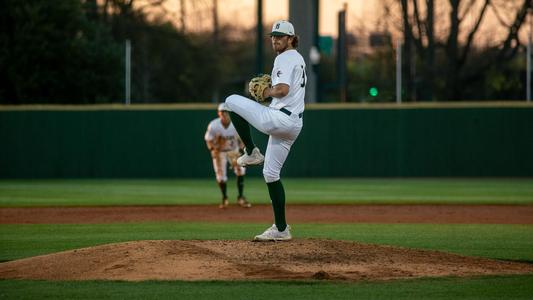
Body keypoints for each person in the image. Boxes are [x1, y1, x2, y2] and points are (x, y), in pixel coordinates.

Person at [225, 20, 306, 241]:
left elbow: (282, 90)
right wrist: (271, 92)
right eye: (273, 36)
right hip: (292, 124)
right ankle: (281, 229)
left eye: (280, 36)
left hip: (280, 119)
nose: (275, 39)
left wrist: (267, 91)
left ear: (291, 38)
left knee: (230, 102)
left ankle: (251, 151)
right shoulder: (297, 58)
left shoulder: (285, 57)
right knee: (271, 174)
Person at [204, 103, 252, 209]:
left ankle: (240, 197)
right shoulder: (214, 125)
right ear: (219, 113)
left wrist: (240, 150)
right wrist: (212, 149)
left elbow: (243, 139)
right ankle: (224, 198)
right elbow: (208, 140)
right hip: (219, 151)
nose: (224, 114)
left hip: (233, 151)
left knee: (240, 171)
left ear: (230, 113)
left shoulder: (236, 124)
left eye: (226, 112)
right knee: (220, 176)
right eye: (222, 112)